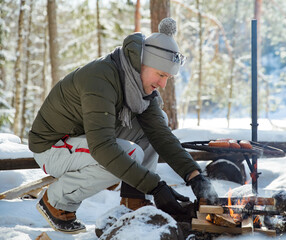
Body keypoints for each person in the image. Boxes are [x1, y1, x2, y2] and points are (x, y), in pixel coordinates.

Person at [28, 17, 218, 234]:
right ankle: (56, 202)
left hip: (82, 138)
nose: (163, 84)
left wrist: (195, 176)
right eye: (161, 74)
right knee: (128, 153)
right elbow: (102, 148)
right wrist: (156, 186)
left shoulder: (140, 87)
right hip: (52, 146)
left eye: (168, 78)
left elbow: (161, 135)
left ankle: (134, 200)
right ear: (143, 64)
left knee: (158, 122)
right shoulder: (100, 78)